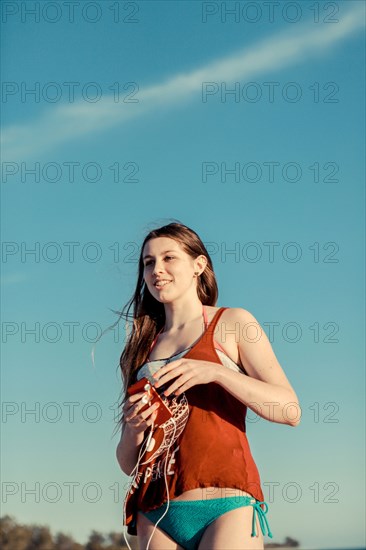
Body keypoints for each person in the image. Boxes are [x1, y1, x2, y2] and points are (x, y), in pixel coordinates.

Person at [115, 221, 301, 550]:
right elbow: (129, 462)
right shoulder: (141, 348)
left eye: (169, 258)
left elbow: (289, 410)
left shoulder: (233, 322)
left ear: (198, 265)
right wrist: (133, 428)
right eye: (148, 262)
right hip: (157, 513)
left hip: (226, 504)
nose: (157, 269)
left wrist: (216, 372)